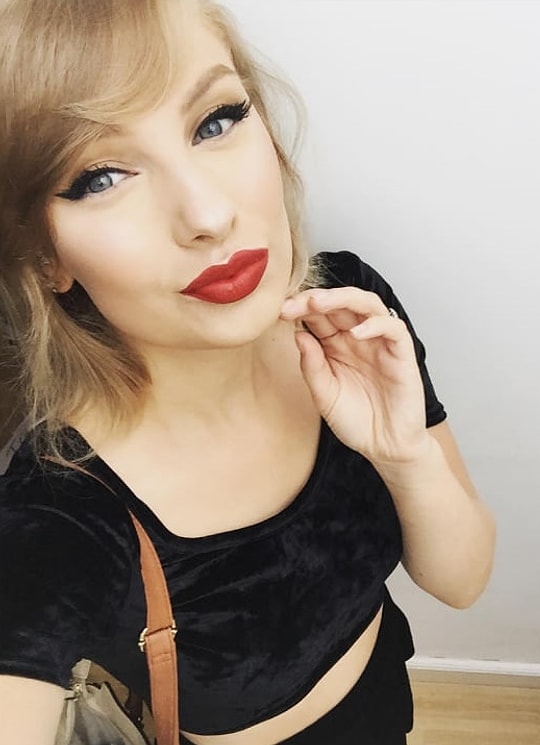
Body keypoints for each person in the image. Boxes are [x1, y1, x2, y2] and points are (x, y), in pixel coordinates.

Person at [0, 1, 496, 743]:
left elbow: (462, 581)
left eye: (216, 120)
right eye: (100, 177)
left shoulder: (347, 314)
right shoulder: (61, 507)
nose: (208, 214)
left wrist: (405, 457)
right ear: (43, 257)